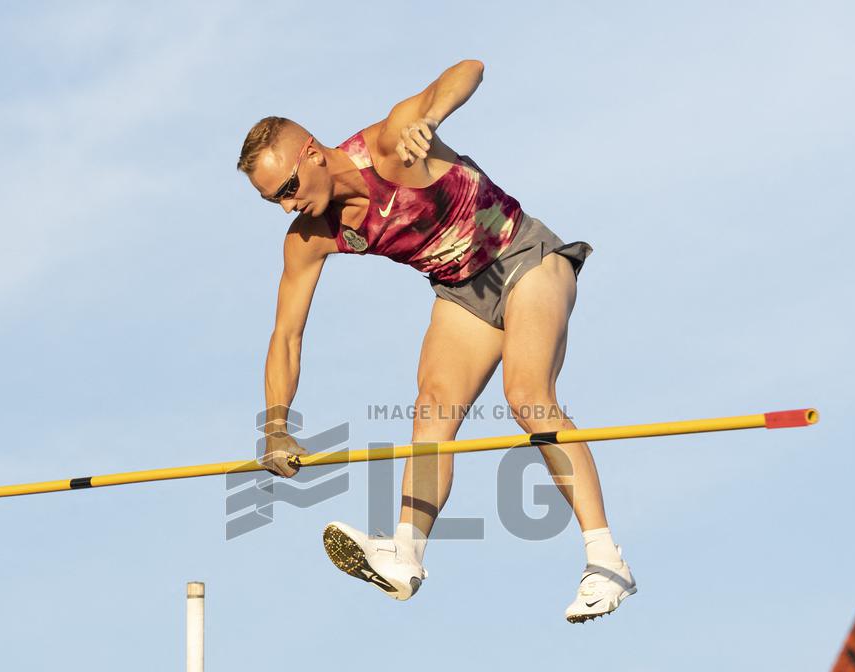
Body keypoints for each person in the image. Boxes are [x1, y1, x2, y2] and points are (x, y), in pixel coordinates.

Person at [237, 60, 636, 622]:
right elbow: (286, 334)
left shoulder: (391, 144)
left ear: (311, 152)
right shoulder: (309, 238)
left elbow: (468, 69)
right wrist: (276, 425)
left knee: (527, 396)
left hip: (523, 257)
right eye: (271, 200)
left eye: (287, 188)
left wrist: (434, 117)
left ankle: (607, 562)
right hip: (462, 291)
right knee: (431, 410)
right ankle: (405, 555)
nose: (286, 206)